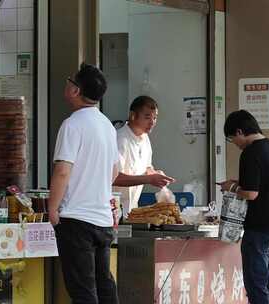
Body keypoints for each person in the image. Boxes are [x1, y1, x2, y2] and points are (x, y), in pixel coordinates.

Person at [48, 63, 119, 304]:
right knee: (104, 284)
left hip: (76, 220)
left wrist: (52, 208)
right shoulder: (107, 126)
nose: (67, 83)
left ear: (76, 90)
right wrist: (95, 187)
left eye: (71, 80)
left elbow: (62, 171)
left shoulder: (72, 124)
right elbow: (115, 170)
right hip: (102, 220)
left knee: (82, 291)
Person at [219, 110, 269, 304]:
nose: (234, 143)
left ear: (240, 131)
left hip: (259, 225)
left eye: (232, 138)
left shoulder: (250, 152)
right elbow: (264, 182)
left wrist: (231, 187)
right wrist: (239, 183)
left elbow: (251, 193)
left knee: (256, 282)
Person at [113, 95, 175, 215]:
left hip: (131, 209)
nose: (152, 122)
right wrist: (149, 179)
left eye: (155, 118)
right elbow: (115, 178)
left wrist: (156, 175)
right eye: (147, 117)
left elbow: (146, 168)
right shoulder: (120, 139)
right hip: (114, 209)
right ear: (133, 115)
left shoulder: (145, 138)